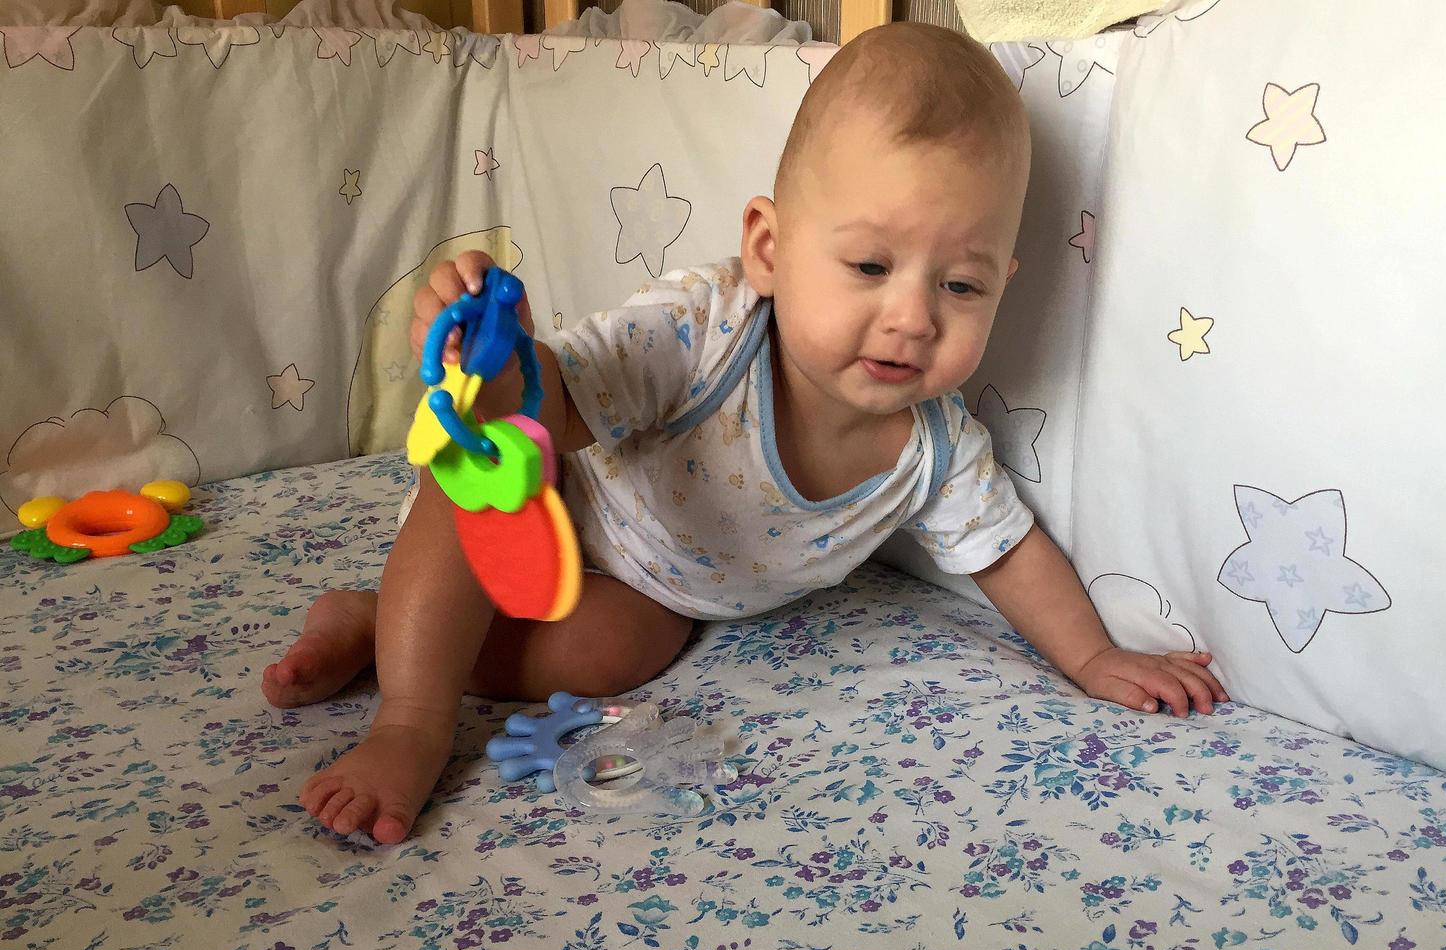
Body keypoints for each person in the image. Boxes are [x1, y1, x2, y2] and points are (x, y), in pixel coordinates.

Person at [264, 22, 1227, 845]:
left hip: (647, 587)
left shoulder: (933, 445)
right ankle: (412, 714)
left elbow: (1008, 551)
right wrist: (503, 362)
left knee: (620, 655)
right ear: (769, 247)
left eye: (960, 285)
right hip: (547, 497)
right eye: (869, 264)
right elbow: (558, 404)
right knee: (483, 473)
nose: (912, 317)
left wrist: (1095, 658)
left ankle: (375, 623)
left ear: (1004, 286)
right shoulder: (705, 332)